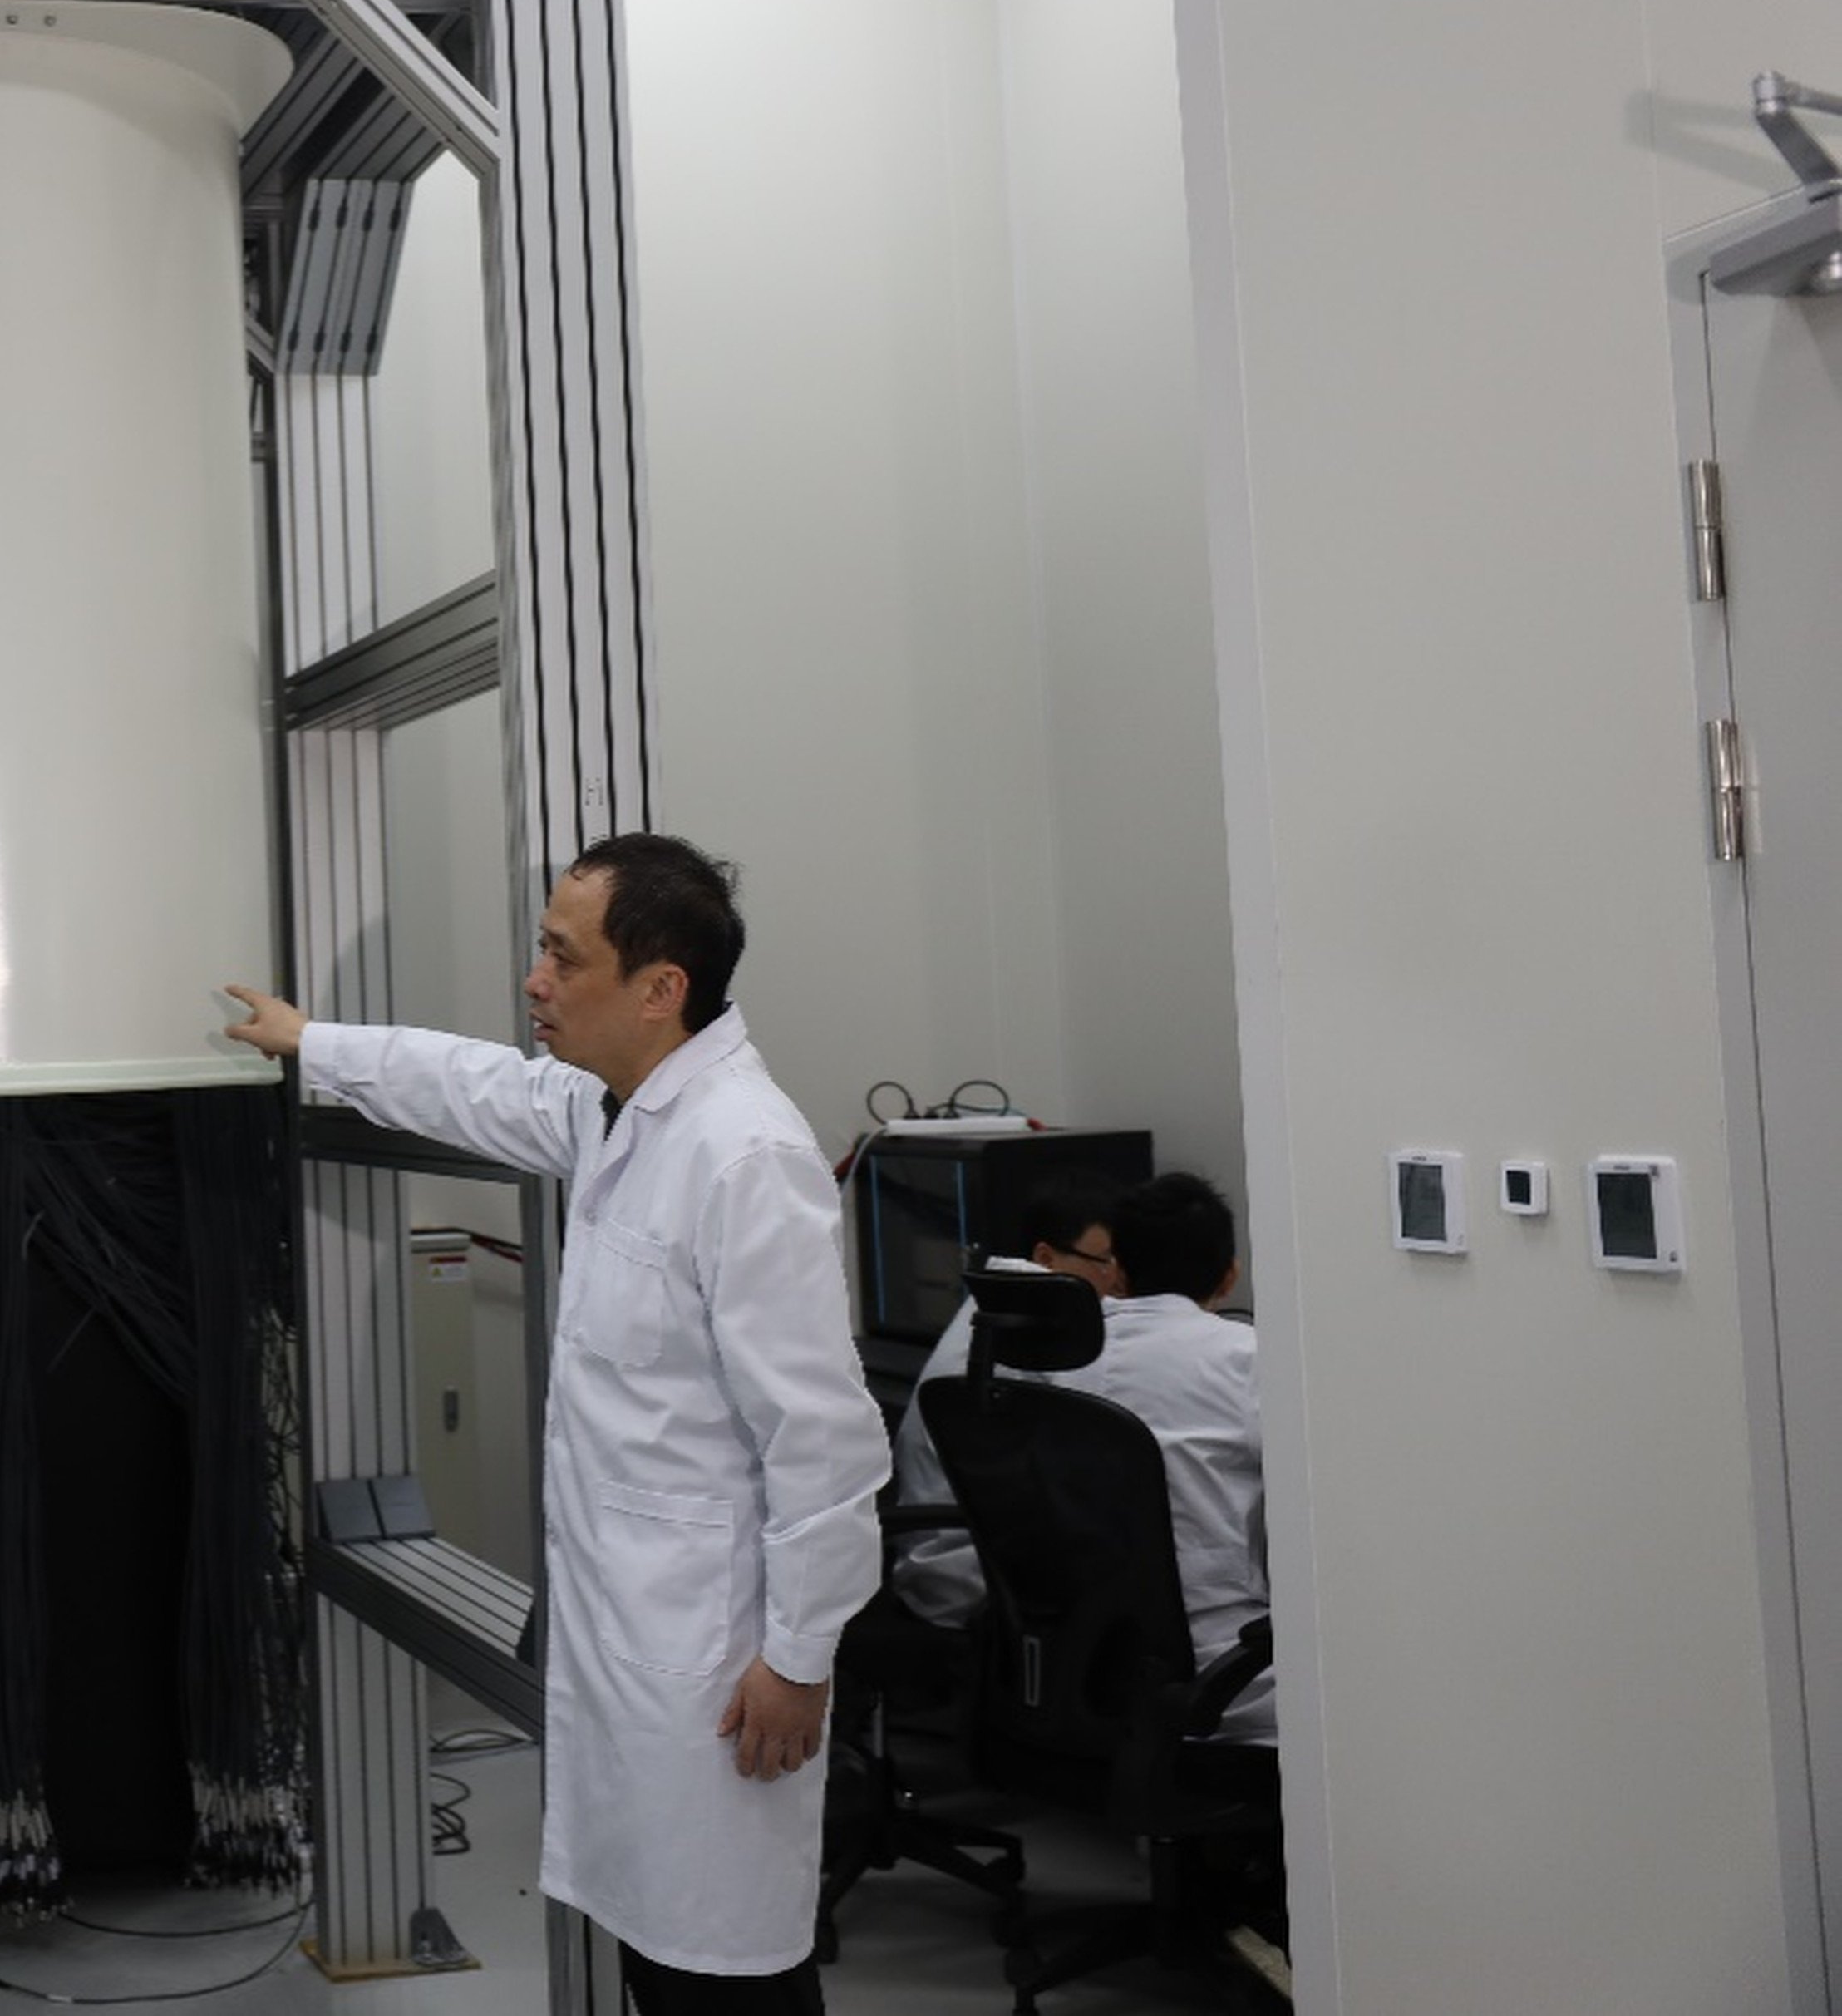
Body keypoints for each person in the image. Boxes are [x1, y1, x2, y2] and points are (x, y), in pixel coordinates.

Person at [225, 835, 889, 2016]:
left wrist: (800, 1656)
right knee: (657, 1949)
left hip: (719, 1651)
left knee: (729, 1971)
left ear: (660, 988)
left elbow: (824, 1443)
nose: (534, 979)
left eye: (558, 955)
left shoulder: (745, 1153)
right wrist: (311, 1042)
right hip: (635, 1625)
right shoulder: (617, 1109)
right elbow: (474, 1085)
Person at [1048, 1169, 1275, 1744]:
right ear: (1230, 1276)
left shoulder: (1066, 1353)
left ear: (1118, 1272)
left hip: (1089, 1655)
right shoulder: (1245, 1359)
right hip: (1225, 1664)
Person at [885, 1169, 1130, 1626]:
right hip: (978, 1582)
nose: (1116, 1282)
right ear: (1045, 1256)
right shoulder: (1042, 1329)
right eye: (1104, 1261)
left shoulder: (994, 1304)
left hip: (946, 1564)